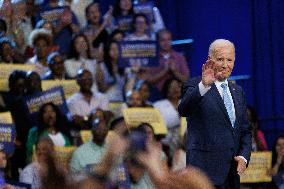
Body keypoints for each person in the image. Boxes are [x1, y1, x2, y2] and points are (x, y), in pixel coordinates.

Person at [178, 39, 252, 189]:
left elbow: (245, 131)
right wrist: (204, 86)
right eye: (220, 59)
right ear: (209, 60)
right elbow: (183, 110)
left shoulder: (238, 92)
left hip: (232, 175)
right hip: (203, 174)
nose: (225, 65)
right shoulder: (195, 85)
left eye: (229, 60)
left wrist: (244, 157)